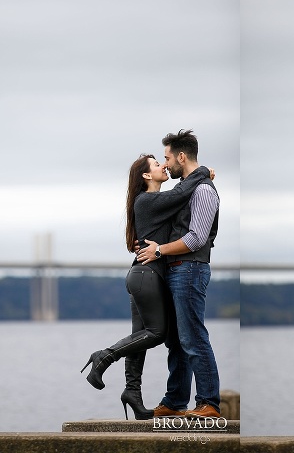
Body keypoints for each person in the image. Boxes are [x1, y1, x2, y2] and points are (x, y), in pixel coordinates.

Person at [81, 153, 214, 420]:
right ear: (146, 175)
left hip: (142, 276)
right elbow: (181, 192)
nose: (164, 165)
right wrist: (201, 172)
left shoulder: (154, 202)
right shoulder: (147, 200)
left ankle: (132, 392)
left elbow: (181, 195)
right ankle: (104, 356)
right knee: (156, 333)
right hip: (147, 276)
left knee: (138, 338)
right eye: (157, 164)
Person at [135, 129, 221, 419]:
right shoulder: (186, 188)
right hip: (175, 271)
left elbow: (196, 238)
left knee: (193, 337)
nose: (165, 163)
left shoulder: (204, 190)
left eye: (168, 157)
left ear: (181, 157)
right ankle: (175, 400)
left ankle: (208, 402)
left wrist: (159, 251)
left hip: (191, 269)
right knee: (176, 341)